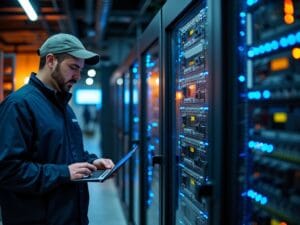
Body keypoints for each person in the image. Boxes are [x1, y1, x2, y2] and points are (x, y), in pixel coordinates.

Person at [0, 33, 115, 225]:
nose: (77, 76)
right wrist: (64, 173)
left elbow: (65, 152)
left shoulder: (63, 106)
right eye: (73, 67)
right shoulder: (19, 105)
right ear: (51, 60)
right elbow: (7, 170)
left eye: (80, 70)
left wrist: (93, 163)